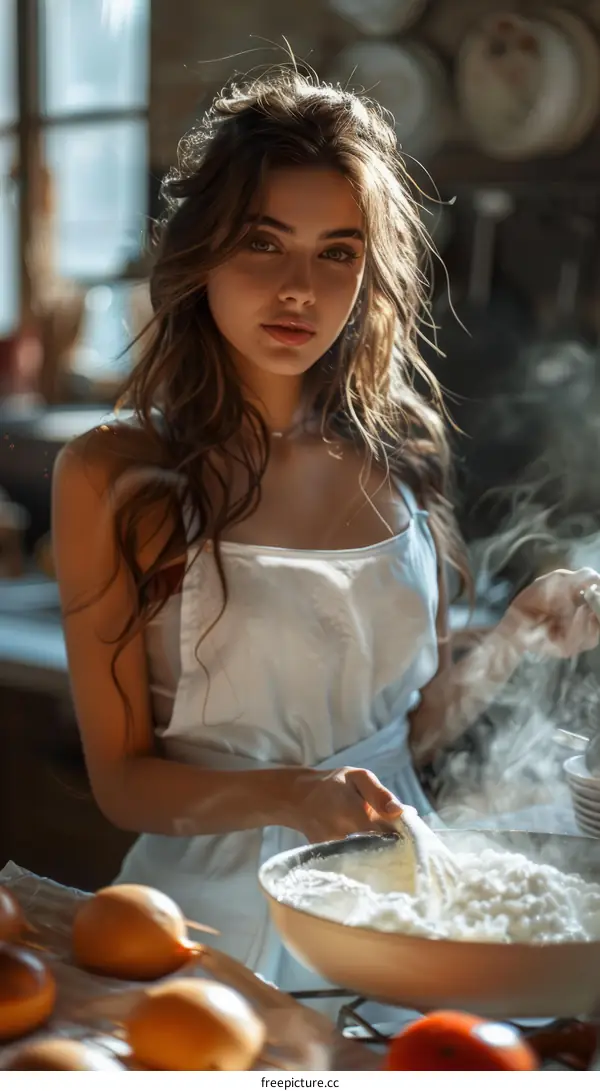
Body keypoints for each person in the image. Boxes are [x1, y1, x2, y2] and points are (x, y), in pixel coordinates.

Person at [53, 69, 599, 993]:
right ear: (202, 253)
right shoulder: (115, 476)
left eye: (336, 252)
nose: (299, 289)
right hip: (202, 934)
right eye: (264, 243)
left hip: (400, 917)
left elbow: (409, 734)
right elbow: (124, 781)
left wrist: (514, 638)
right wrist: (291, 797)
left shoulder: (405, 451)